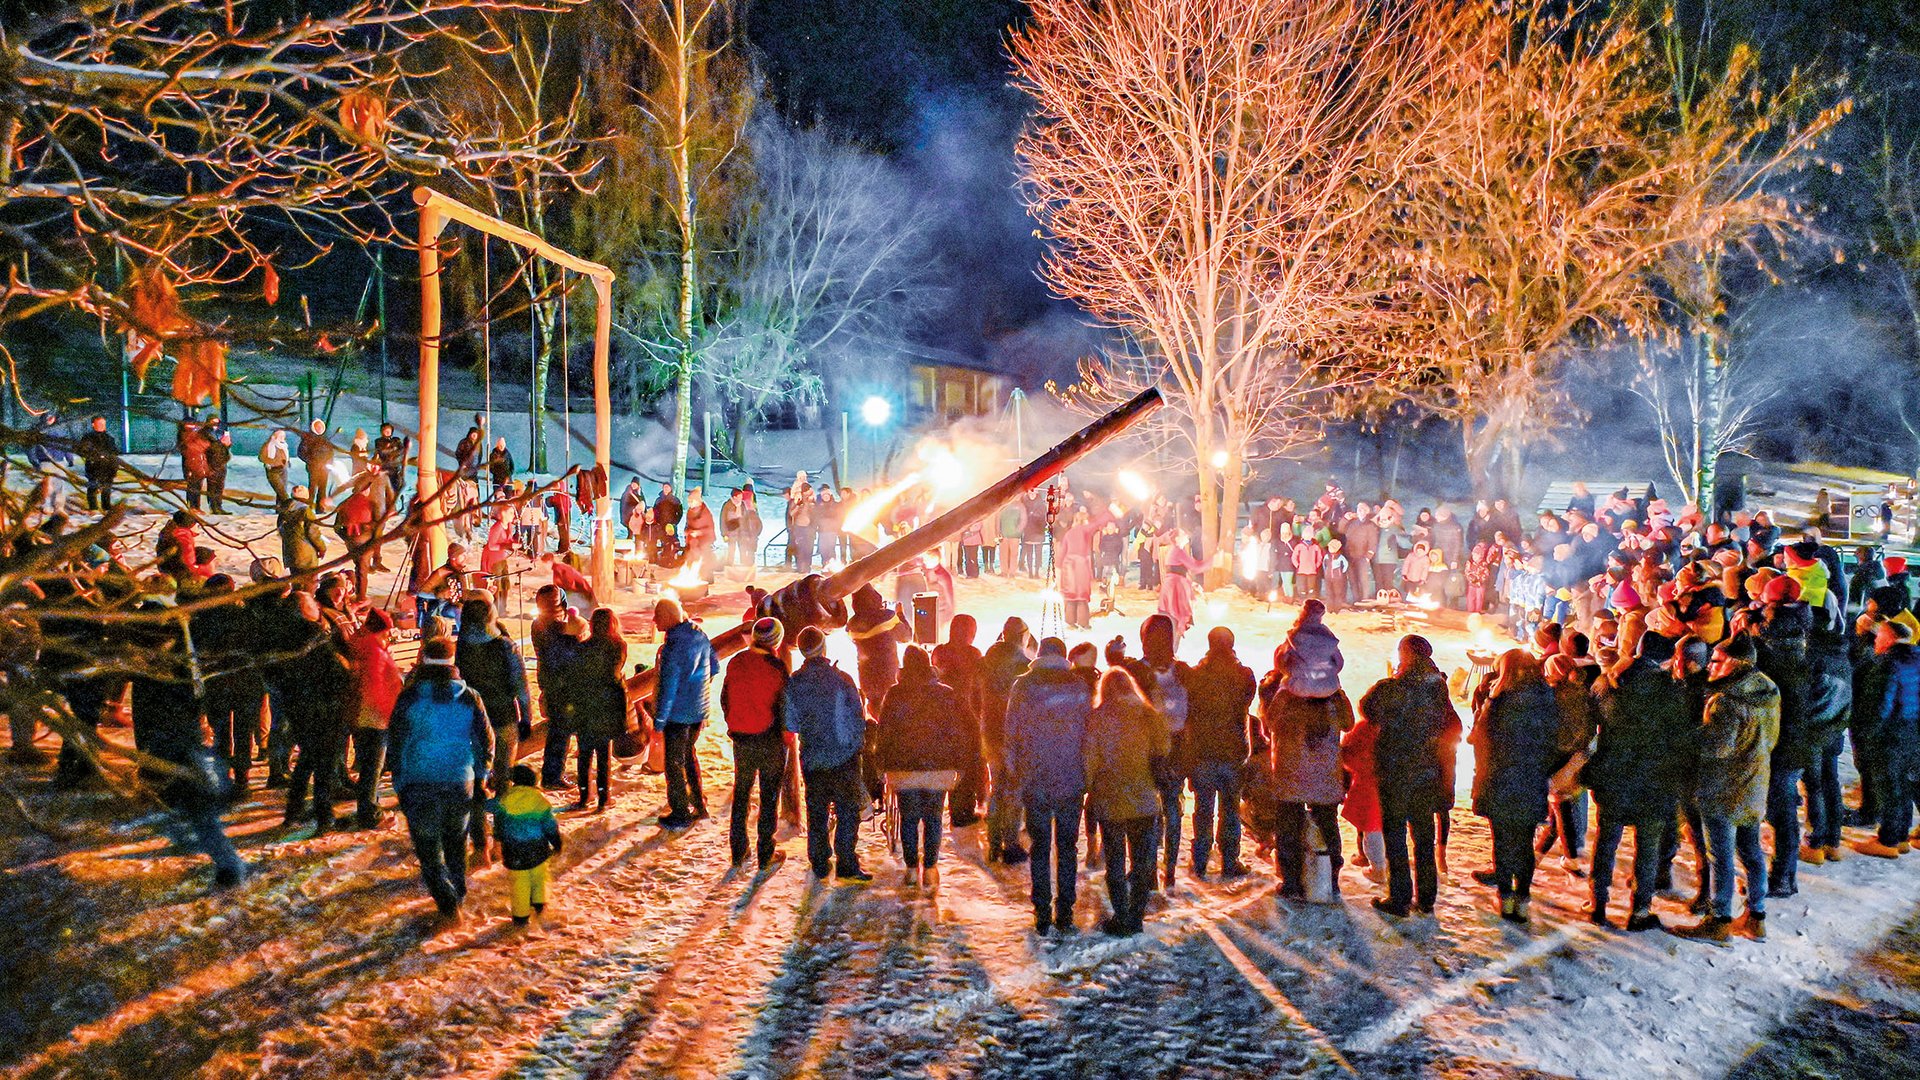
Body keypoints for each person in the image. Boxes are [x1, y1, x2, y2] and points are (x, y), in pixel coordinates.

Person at [1586, 629, 1693, 930]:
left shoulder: (1606, 683)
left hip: (1614, 775)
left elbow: (1590, 724)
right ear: (1667, 660)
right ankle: (1640, 909)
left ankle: (1597, 902)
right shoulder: (1672, 692)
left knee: (1607, 841)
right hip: (1655, 780)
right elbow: (1681, 737)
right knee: (1648, 846)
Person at [1680, 636, 1781, 943]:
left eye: (1717, 660)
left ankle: (1719, 920)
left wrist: (1689, 736)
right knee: (1752, 852)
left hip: (1723, 789)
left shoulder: (1725, 701)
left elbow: (1717, 747)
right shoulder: (1768, 690)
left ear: (1735, 664)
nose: (1710, 666)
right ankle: (1756, 916)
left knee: (1720, 856)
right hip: (1754, 784)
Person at [389, 637, 494, 916]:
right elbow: (486, 739)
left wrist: (398, 780)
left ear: (423, 658)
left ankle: (447, 902)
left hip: (419, 780)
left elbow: (396, 741)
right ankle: (456, 896)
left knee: (428, 848)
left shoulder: (410, 696)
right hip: (461, 779)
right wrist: (482, 773)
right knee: (456, 843)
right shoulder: (470, 696)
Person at [1360, 635, 1461, 917]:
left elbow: (1368, 708)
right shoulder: (1437, 688)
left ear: (1405, 654)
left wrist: (1391, 679)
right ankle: (1427, 897)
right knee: (1424, 837)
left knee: (1395, 836)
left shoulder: (1395, 687)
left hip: (1397, 770)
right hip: (1427, 771)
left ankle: (1400, 897)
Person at [1006, 636, 1094, 934]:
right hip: (1071, 779)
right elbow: (1088, 734)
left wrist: (1017, 772)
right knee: (1068, 846)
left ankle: (1042, 910)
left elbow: (1012, 734)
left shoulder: (1024, 686)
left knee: (1040, 847)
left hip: (1036, 779)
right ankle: (1066, 909)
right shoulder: (1079, 687)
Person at [1470, 649, 1560, 923]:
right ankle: (1522, 898)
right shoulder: (1547, 700)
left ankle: (1506, 897)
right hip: (1531, 780)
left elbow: (1479, 740)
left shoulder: (1500, 702)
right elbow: (1552, 741)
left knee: (1503, 841)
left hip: (1501, 779)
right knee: (1523, 842)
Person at [1262, 635, 1355, 900]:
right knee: (1327, 823)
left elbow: (1270, 724)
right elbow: (1348, 722)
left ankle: (1291, 881)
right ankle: (1328, 877)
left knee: (1288, 826)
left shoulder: (1285, 695)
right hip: (1325, 775)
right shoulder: (1334, 696)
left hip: (1291, 773)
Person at [1083, 667, 1170, 935]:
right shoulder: (1148, 714)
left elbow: (1090, 759)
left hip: (1110, 800)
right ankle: (1136, 916)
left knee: (1115, 862)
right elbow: (1163, 749)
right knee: (1142, 862)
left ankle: (1121, 915)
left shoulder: (1097, 718)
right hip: (1144, 798)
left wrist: (1087, 788)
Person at [878, 646, 973, 889]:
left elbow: (885, 731)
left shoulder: (895, 694)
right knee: (933, 818)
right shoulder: (946, 694)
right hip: (938, 768)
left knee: (909, 818)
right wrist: (960, 764)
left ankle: (911, 869)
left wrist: (881, 764)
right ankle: (930, 869)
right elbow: (957, 732)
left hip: (903, 768)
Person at [784, 626, 871, 881]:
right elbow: (858, 716)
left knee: (817, 810)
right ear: (823, 647)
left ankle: (819, 862)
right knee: (847, 810)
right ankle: (846, 861)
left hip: (813, 757)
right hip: (844, 755)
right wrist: (856, 743)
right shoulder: (842, 679)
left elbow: (791, 723)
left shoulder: (794, 683)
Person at [456, 595, 533, 827]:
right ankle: (501, 804)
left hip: (473, 715)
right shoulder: (504, 646)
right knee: (503, 762)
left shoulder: (463, 643)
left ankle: (476, 805)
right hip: (502, 713)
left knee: (477, 762)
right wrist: (526, 717)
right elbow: (521, 684)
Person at [723, 617, 790, 871]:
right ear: (776, 641)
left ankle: (738, 849)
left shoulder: (736, 661)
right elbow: (784, 707)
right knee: (769, 795)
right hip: (769, 739)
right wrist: (786, 735)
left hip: (741, 737)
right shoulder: (776, 667)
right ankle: (766, 851)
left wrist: (734, 723)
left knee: (742, 793)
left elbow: (725, 698)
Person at [1855, 620, 1920, 858]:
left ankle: (1889, 840)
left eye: (1878, 637)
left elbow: (1880, 706)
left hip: (1890, 736)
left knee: (1890, 787)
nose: (1875, 642)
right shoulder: (1917, 657)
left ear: (1890, 639)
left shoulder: (1886, 664)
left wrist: (1867, 736)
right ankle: (1901, 837)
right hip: (1912, 732)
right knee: (1905, 784)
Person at [653, 597, 717, 827]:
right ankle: (699, 803)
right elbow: (715, 665)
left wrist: (659, 722)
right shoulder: (699, 635)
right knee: (689, 756)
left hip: (678, 716)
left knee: (674, 763)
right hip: (699, 711)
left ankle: (680, 812)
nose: (653, 620)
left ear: (668, 618)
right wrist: (698, 687)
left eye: (657, 616)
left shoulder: (673, 647)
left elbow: (668, 688)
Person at [982, 617, 1035, 864]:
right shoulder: (1024, 666)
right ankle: (1011, 843)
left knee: (996, 788)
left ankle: (993, 844)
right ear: (1021, 635)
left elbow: (974, 697)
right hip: (1014, 735)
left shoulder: (985, 662)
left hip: (990, 733)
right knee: (1014, 789)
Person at [345, 608, 404, 829]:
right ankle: (369, 812)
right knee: (373, 768)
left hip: (364, 717)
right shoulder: (374, 653)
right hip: (375, 719)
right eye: (387, 632)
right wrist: (389, 715)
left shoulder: (365, 646)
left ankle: (369, 807)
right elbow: (375, 688)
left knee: (369, 767)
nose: (389, 636)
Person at [932, 614, 988, 828]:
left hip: (941, 714)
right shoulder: (974, 654)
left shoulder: (939, 652)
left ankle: (951, 806)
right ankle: (963, 809)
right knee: (968, 761)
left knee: (949, 759)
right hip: (967, 714)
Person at [490, 765, 564, 926]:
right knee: (539, 875)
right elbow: (549, 825)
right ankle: (539, 903)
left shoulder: (505, 800)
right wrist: (556, 841)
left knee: (519, 882)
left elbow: (500, 823)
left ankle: (520, 916)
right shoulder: (540, 801)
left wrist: (499, 840)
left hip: (513, 848)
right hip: (538, 847)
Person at [78, 415, 119, 511]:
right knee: (93, 487)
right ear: (93, 424)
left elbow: (115, 452)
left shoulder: (109, 438)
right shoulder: (88, 438)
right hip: (94, 467)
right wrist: (94, 456)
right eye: (100, 423)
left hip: (108, 468)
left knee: (107, 489)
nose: (102, 426)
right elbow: (82, 451)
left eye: (103, 424)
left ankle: (106, 507)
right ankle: (93, 508)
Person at [298, 419, 336, 508]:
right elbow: (301, 453)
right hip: (313, 468)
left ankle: (321, 507)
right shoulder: (308, 439)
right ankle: (309, 507)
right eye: (317, 427)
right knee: (312, 488)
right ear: (313, 427)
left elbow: (330, 452)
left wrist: (329, 462)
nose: (319, 428)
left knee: (322, 488)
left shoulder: (325, 439)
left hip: (324, 468)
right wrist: (312, 462)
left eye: (321, 427)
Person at [374, 422, 409, 495]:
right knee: (387, 488)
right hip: (386, 468)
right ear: (381, 431)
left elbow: (402, 450)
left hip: (396, 467)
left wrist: (393, 451)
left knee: (396, 486)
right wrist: (393, 449)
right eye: (385, 430)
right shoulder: (378, 441)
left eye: (389, 430)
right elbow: (382, 451)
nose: (387, 432)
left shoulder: (396, 440)